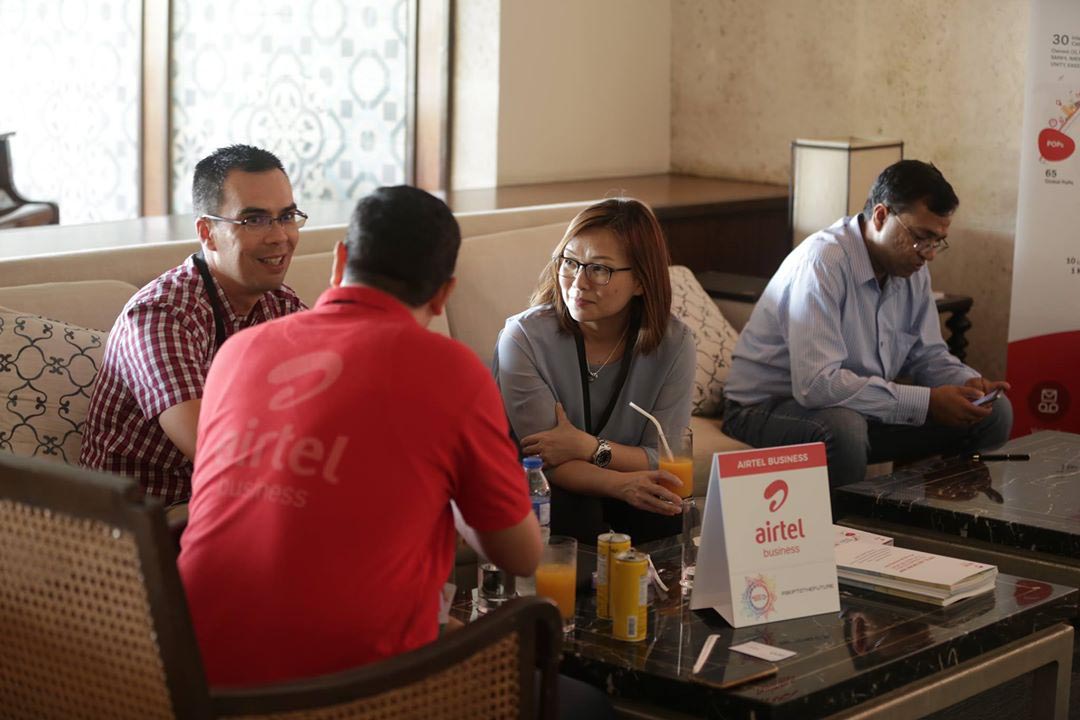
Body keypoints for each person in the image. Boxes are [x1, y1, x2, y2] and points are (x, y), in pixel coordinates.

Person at [177, 185, 543, 688]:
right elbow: (521, 556)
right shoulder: (453, 372)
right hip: (352, 691)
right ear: (443, 295)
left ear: (340, 261)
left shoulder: (239, 351)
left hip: (191, 676)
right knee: (575, 701)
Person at [722, 160, 1012, 488]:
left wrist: (968, 385)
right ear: (881, 216)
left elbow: (927, 355)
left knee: (994, 414)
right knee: (844, 428)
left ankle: (935, 517)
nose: (929, 254)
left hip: (854, 409)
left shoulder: (911, 269)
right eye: (922, 237)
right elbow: (815, 386)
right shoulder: (823, 263)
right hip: (765, 409)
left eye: (937, 241)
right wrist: (928, 402)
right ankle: (847, 523)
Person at [80, 144, 306, 503]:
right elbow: (218, 455)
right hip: (145, 517)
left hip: (225, 503)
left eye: (287, 216)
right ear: (207, 232)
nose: (280, 236)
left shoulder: (280, 304)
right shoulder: (161, 316)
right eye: (254, 220)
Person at [494, 198, 696, 544]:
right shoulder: (523, 337)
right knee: (574, 510)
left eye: (600, 269)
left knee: (664, 504)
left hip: (615, 477)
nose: (578, 282)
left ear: (641, 281)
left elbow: (664, 457)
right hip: (542, 484)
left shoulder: (675, 343)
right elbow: (545, 458)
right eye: (570, 262)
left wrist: (587, 446)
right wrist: (621, 483)